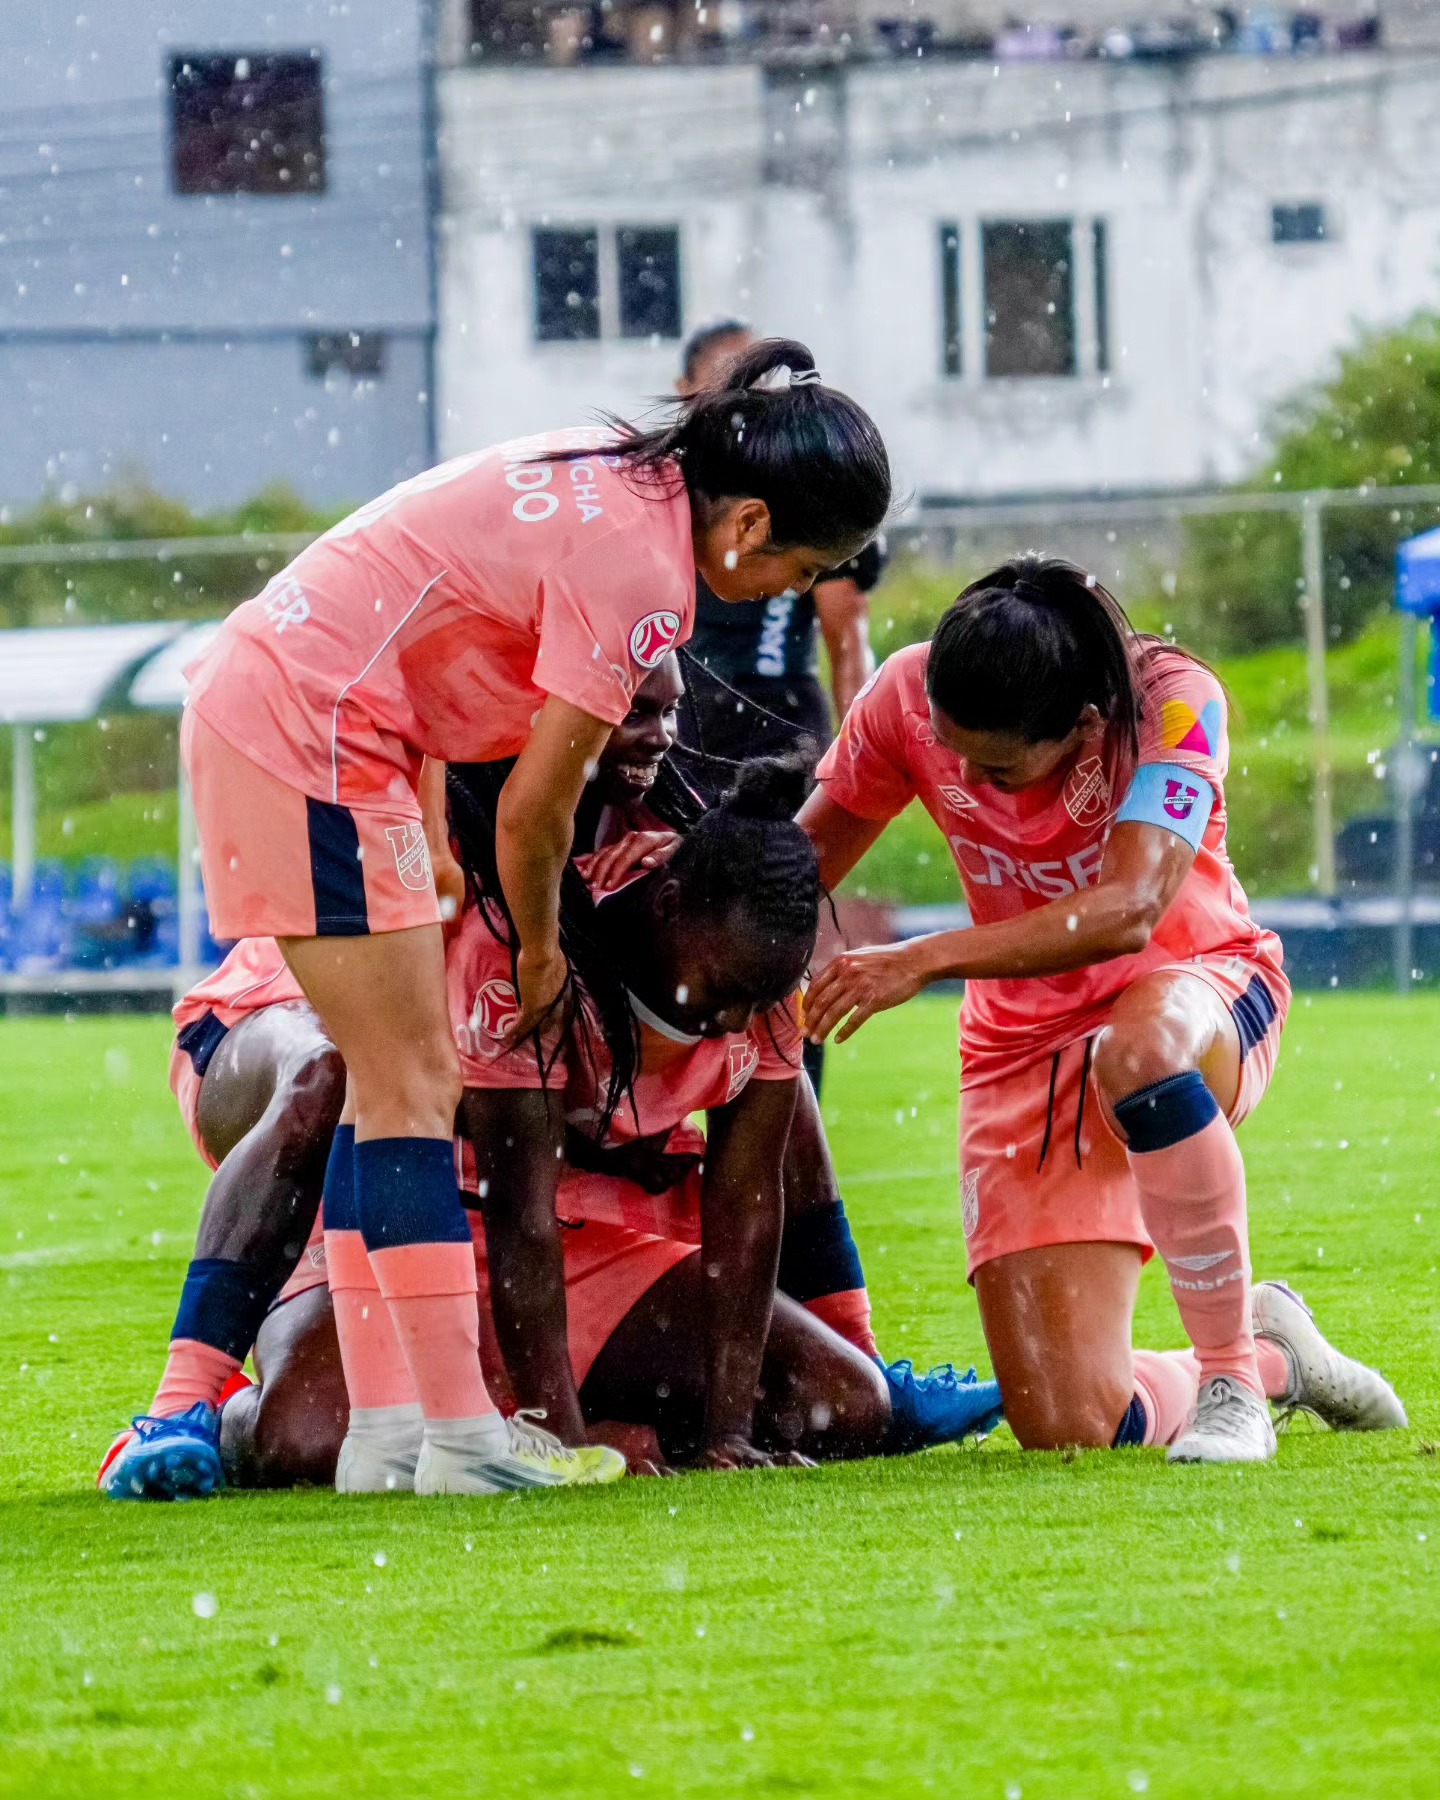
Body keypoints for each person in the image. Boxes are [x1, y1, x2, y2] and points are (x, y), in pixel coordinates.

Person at [173, 337, 890, 1498]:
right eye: (807, 567)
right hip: (312, 725)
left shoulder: (624, 473)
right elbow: (532, 815)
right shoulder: (645, 579)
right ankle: (459, 1440)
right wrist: (546, 951)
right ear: (749, 525)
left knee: (388, 1083)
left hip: (319, 712)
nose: (794, 594)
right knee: (407, 1085)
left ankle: (390, 1438)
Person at [214, 759, 1001, 1488]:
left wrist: (731, 1432)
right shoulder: (528, 956)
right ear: (667, 906)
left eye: (754, 1002)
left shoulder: (754, 980)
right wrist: (562, 1441)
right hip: (432, 1217)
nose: (731, 1021)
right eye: (722, 991)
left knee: (844, 1406)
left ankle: (616, 1428)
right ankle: (205, 1405)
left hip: (578, 1240)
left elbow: (746, 1210)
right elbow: (520, 1215)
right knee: (306, 1439)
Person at [799, 555, 1407, 1464]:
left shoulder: (1175, 703)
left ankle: (1232, 1382)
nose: (962, 775)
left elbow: (1130, 911)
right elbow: (797, 867)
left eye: (996, 767)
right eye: (949, 747)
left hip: (1196, 988)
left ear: (1085, 728)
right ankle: (1281, 1355)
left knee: (1140, 1052)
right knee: (1069, 1423)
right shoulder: (903, 695)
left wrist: (921, 959)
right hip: (1020, 1038)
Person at [100, 658, 692, 1499]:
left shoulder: (643, 842)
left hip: (443, 1154)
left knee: (821, 1398)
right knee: (336, 1070)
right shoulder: (459, 787)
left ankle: (476, 1427)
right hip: (291, 1033)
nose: (657, 737)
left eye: (670, 711)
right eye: (632, 711)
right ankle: (182, 1408)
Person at [674, 321, 886, 1097]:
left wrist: (859, 754)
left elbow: (844, 630)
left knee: (778, 927)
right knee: (660, 911)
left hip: (776, 723)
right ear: (688, 396)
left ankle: (786, 1107)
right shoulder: (673, 495)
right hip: (678, 723)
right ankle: (657, 1112)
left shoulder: (802, 493)